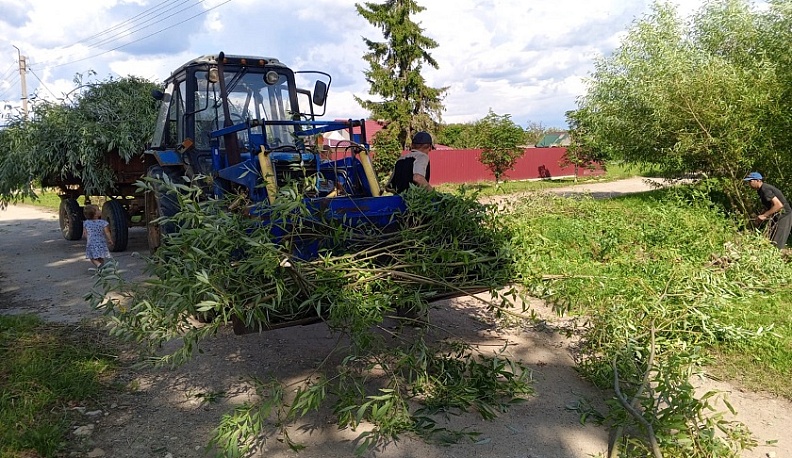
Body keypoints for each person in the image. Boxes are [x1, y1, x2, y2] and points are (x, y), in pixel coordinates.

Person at [743, 172, 792, 250]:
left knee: (777, 242)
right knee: (770, 239)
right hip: (776, 215)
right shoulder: (760, 190)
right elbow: (770, 205)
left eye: (750, 181)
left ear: (758, 180)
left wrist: (764, 215)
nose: (749, 184)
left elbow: (779, 205)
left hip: (784, 215)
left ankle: (776, 259)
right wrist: (761, 216)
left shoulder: (765, 189)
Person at [83, 204, 114, 271]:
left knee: (92, 257)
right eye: (98, 210)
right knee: (101, 256)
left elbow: (85, 233)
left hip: (91, 242)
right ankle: (101, 267)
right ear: (95, 214)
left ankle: (99, 266)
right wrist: (110, 239)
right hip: (101, 242)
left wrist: (87, 238)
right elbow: (107, 232)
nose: (100, 211)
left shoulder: (86, 223)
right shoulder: (103, 223)